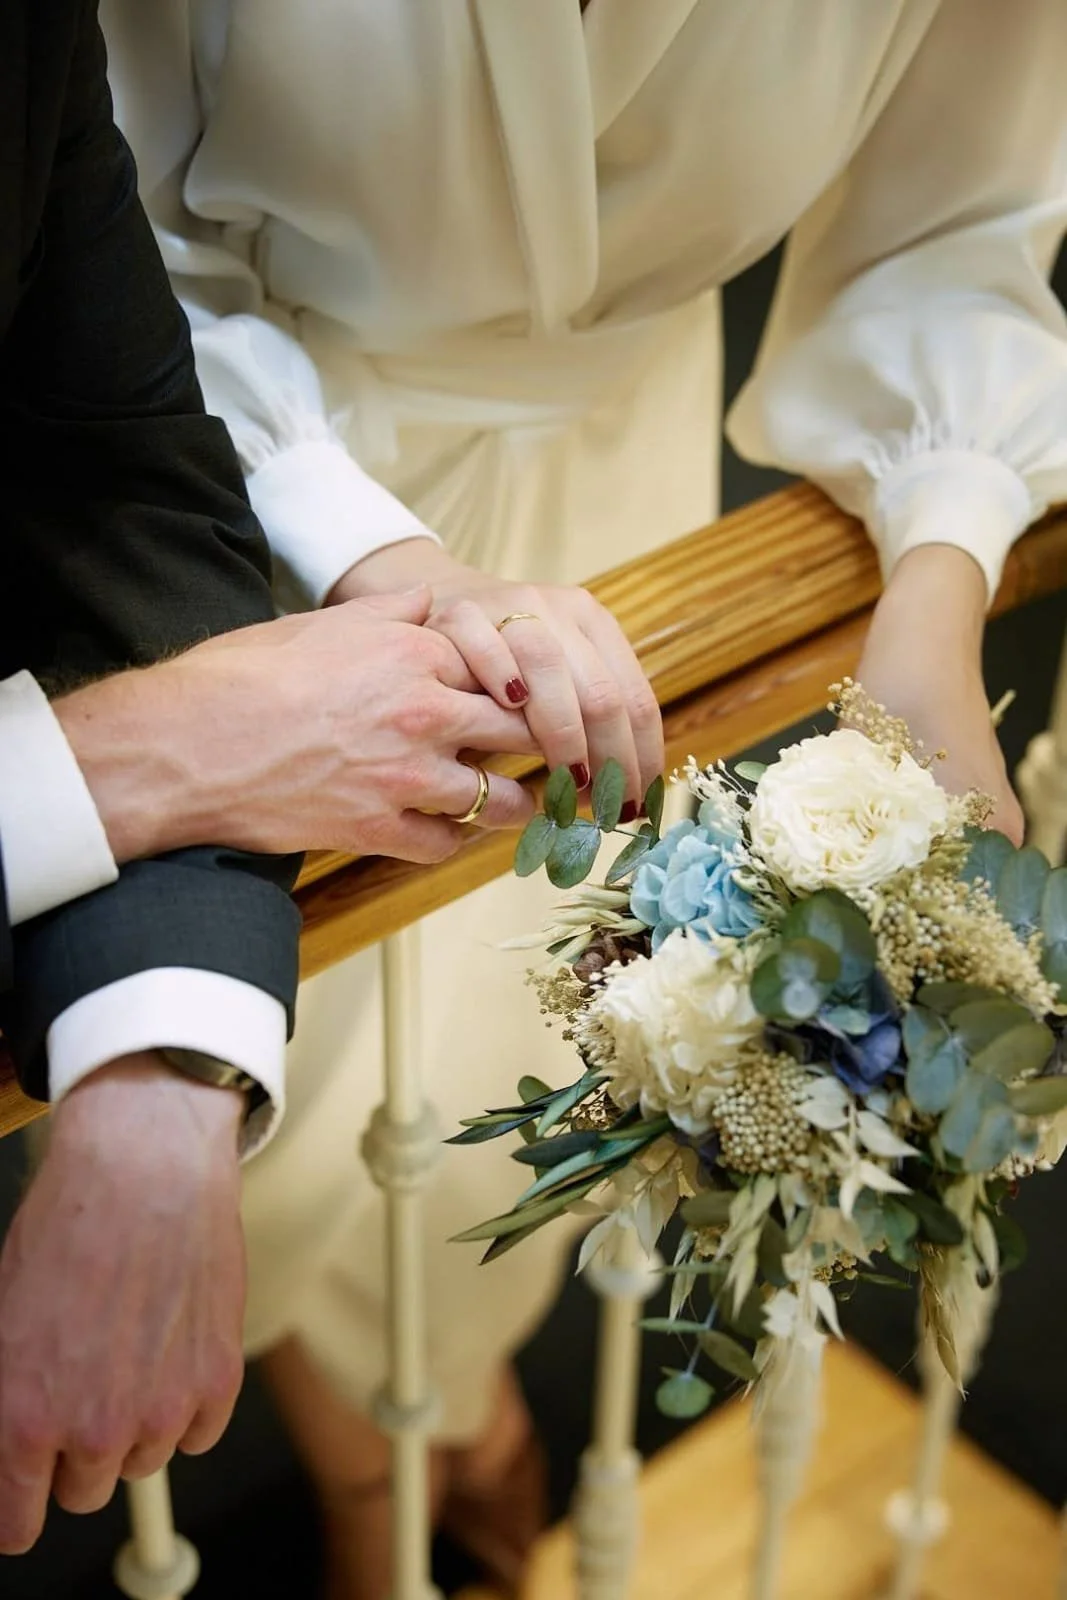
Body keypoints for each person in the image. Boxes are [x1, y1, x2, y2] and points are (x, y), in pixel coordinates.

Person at [102, 1, 1067, 1595]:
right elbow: (98, 226)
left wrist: (930, 603)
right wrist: (384, 557)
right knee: (265, 1119)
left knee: (511, 1059)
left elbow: (949, 215)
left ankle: (428, 1423)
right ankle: (387, 1452)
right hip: (238, 495)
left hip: (618, 524)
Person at [0, 0, 649, 1562]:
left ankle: (410, 1453)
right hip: (294, 421)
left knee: (485, 1106)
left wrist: (164, 1059)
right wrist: (128, 764)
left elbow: (108, 465)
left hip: (542, 469)